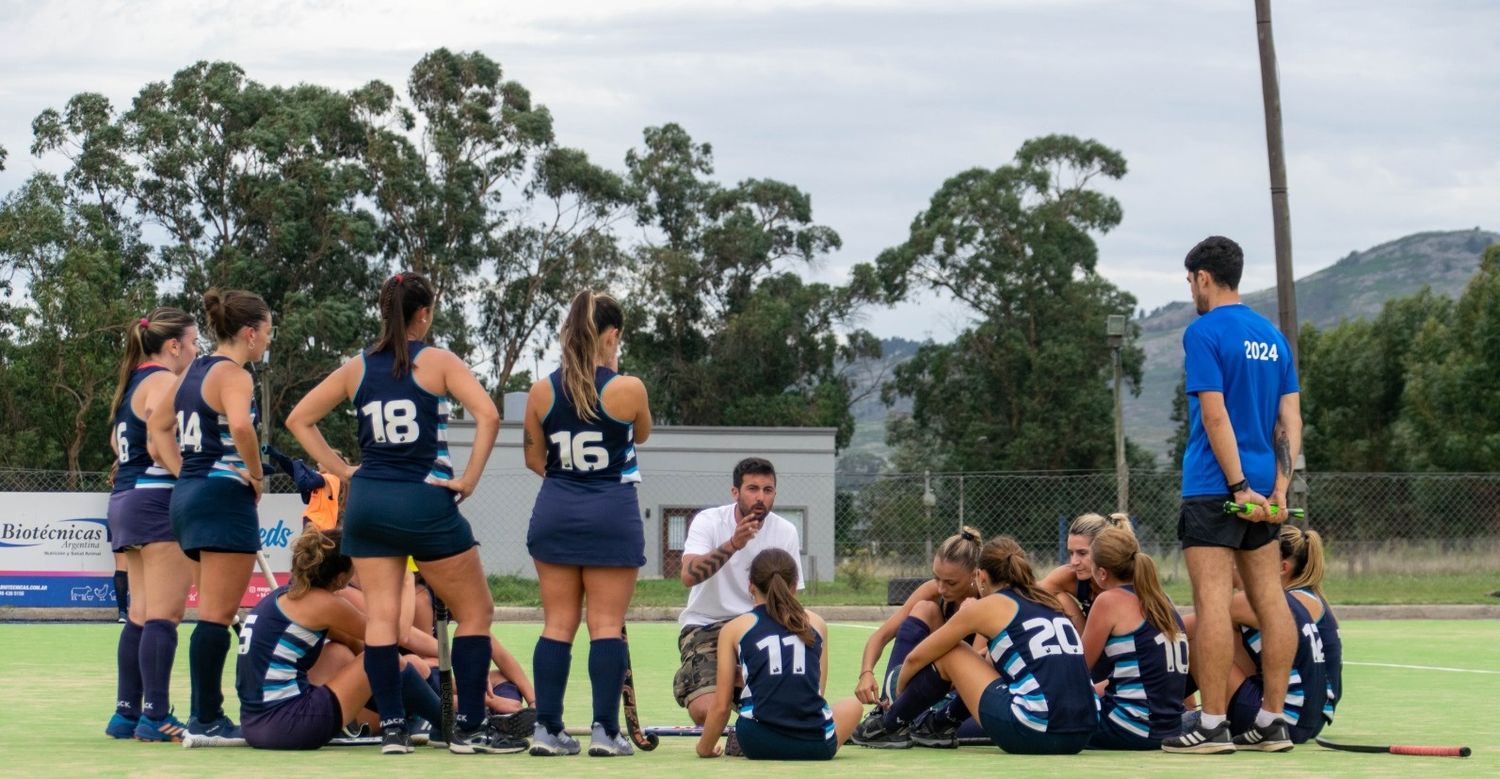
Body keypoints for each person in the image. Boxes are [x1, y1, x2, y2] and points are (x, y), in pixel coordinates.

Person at [286, 271, 513, 755]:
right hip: (424, 498)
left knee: (382, 620)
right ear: (424, 314)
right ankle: (470, 726)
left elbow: (298, 419)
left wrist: (344, 471)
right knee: (476, 611)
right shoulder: (438, 362)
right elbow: (489, 415)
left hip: (369, 503)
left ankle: (392, 726)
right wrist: (469, 479)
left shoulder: (357, 367)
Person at [1163, 236, 1303, 754]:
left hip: (1214, 487)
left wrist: (1238, 485)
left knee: (1214, 604)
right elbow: (1290, 421)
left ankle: (1214, 723)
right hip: (1269, 491)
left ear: (1203, 277)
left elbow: (1215, 413)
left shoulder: (1203, 332)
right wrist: (1279, 489)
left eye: (1190, 281)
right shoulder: (1273, 336)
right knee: (1271, 599)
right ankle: (1272, 722)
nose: (1191, 290)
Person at [522, 290, 652, 757]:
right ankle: (604, 731)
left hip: (555, 509)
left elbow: (534, 459)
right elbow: (640, 434)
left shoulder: (542, 389)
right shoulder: (628, 388)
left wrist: (569, 481)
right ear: (612, 335)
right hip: (611, 512)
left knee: (557, 622)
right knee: (605, 623)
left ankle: (547, 729)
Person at [149, 289, 273, 747]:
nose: (268, 340)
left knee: (212, 613)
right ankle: (207, 718)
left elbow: (157, 428)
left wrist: (187, 471)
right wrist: (256, 475)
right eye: (267, 331)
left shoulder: (189, 373)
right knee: (217, 617)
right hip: (223, 499)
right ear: (249, 332)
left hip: (188, 498)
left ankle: (207, 713)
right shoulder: (234, 375)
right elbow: (241, 427)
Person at [236, 527, 442, 752]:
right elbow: (394, 637)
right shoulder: (327, 605)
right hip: (291, 725)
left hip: (255, 727)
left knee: (343, 652)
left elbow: (355, 644)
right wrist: (405, 581)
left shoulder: (284, 598)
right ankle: (445, 724)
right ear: (341, 576)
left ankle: (417, 712)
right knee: (386, 657)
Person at [893, 536, 1098, 755]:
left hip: (1036, 731)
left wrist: (900, 697)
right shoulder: (1049, 602)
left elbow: (916, 658)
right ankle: (938, 724)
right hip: (1083, 732)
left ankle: (887, 725)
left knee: (953, 650)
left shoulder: (992, 604)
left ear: (980, 576)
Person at [103, 308, 199, 743]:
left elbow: (116, 444)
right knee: (166, 613)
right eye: (194, 343)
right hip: (155, 499)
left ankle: (126, 713)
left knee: (140, 614)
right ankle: (156, 715)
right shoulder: (163, 381)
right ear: (173, 346)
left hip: (125, 497)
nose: (196, 352)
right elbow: (158, 442)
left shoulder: (132, 384)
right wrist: (191, 475)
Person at [695, 549, 862, 760]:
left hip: (756, 742)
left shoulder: (735, 628)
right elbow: (816, 691)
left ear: (751, 586)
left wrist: (704, 748)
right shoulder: (816, 623)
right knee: (853, 706)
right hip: (815, 745)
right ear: (794, 586)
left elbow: (721, 706)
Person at [675, 457, 803, 727]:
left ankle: (743, 685)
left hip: (760, 626)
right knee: (704, 712)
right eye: (752, 489)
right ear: (735, 492)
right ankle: (733, 683)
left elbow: (790, 599)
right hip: (706, 626)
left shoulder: (786, 531)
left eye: (767, 491)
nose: (760, 498)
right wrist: (733, 544)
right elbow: (688, 576)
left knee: (791, 705)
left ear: (774, 495)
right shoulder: (708, 521)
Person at [849, 527, 982, 748]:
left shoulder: (986, 601)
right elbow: (881, 636)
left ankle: (903, 720)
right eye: (936, 578)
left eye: (951, 583)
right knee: (923, 608)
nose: (941, 588)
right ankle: (890, 712)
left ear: (975, 575)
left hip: (960, 697)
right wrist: (866, 673)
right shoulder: (933, 591)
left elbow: (974, 671)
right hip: (924, 688)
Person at [1209, 525, 1339, 746]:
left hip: (1292, 712)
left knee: (1209, 640)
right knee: (1231, 633)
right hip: (1312, 714)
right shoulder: (1307, 597)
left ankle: (1191, 718)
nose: (1235, 560)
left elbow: (1198, 625)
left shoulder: (1290, 601)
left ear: (1282, 567)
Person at [1081, 526, 1189, 750]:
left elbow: (1077, 669)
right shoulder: (1162, 600)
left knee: (1044, 719)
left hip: (1129, 727)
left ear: (1102, 573)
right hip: (1168, 727)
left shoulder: (1109, 601)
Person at [1039, 513, 1133, 628]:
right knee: (1059, 598)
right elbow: (1027, 596)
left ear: (1103, 550)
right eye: (1071, 553)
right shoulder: (1070, 575)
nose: (1074, 562)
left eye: (1082, 553)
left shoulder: (1123, 581)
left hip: (1122, 640)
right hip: (1089, 640)